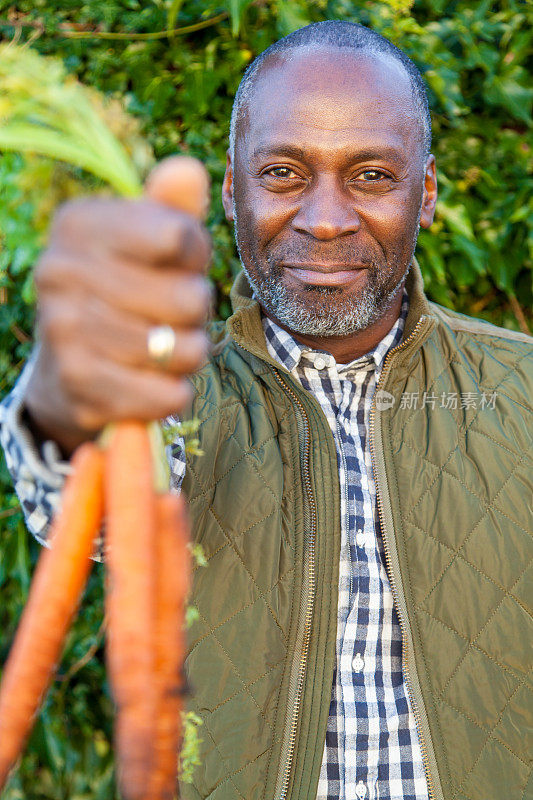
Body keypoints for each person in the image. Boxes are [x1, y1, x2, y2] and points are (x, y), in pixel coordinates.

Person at [1, 19, 531, 800]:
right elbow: (74, 488)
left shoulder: (519, 385)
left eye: (371, 176)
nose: (324, 219)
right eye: (283, 172)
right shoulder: (174, 388)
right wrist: (69, 377)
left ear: (424, 195)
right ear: (230, 189)